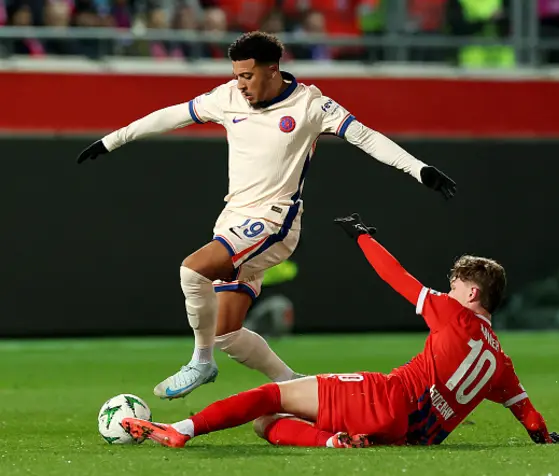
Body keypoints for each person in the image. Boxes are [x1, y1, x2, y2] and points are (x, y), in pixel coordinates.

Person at [75, 32, 457, 400]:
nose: (240, 84)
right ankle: (294, 384)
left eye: (247, 75)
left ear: (272, 69)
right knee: (225, 332)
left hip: (275, 222)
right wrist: (113, 139)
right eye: (236, 75)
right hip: (232, 220)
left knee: (192, 271)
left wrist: (419, 169)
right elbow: (173, 116)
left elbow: (367, 137)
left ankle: (200, 363)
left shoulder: (311, 105)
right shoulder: (226, 98)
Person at [120, 214, 559, 448]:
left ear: (473, 294)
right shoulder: (498, 359)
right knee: (266, 424)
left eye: (454, 284)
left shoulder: (452, 314)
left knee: (274, 395)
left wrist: (363, 237)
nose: (446, 289)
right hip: (413, 433)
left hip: (387, 398)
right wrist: (542, 434)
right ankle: (334, 440)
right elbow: (522, 406)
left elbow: (398, 278)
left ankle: (181, 428)